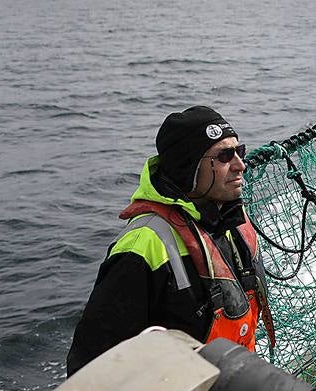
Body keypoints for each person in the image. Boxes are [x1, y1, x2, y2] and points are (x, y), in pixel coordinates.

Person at [66, 106, 275, 376]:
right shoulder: (142, 246)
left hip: (234, 384)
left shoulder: (231, 222)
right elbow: (91, 364)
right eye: (224, 156)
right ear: (188, 168)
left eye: (240, 151)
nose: (240, 165)